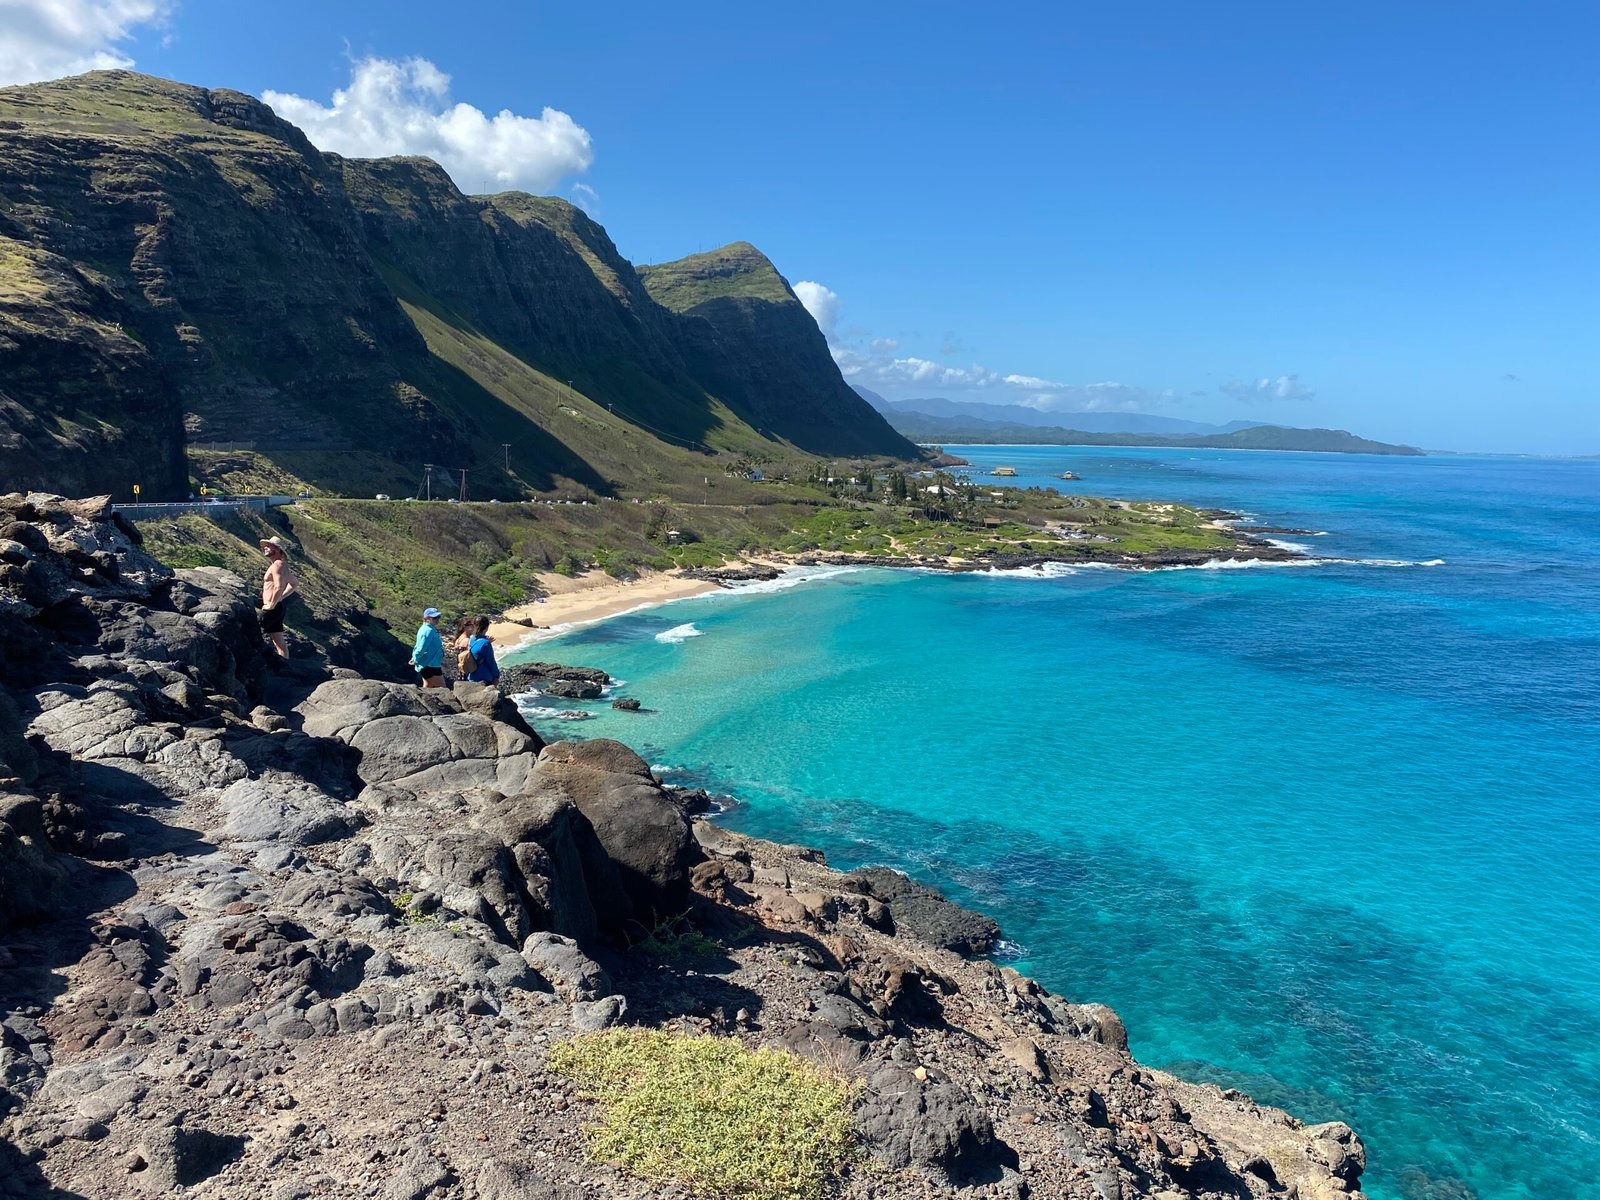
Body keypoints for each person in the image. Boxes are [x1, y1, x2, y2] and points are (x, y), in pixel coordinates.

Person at [258, 536, 298, 663]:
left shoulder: (278, 565)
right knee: (278, 640)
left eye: (269, 546)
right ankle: (285, 665)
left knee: (254, 631)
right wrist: (282, 597)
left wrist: (271, 604)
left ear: (278, 549)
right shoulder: (281, 565)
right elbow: (294, 583)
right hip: (278, 607)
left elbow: (278, 586)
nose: (265, 547)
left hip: (272, 608)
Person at [411, 608, 445, 687]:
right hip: (429, 664)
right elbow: (421, 648)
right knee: (443, 688)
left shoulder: (429, 629)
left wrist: (414, 657)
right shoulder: (427, 631)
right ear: (427, 618)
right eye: (434, 618)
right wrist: (415, 658)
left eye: (438, 617)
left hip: (430, 663)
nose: (437, 619)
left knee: (428, 685)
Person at [465, 615, 501, 685]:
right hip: (484, 678)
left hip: (471, 676)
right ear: (486, 627)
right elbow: (491, 662)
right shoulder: (485, 643)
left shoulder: (471, 639)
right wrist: (496, 676)